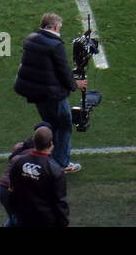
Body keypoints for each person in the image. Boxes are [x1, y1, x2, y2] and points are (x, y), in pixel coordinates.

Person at [13, 12, 86, 173]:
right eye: (59, 27)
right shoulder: (55, 44)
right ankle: (62, 163)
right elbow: (63, 71)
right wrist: (76, 84)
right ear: (54, 27)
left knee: (49, 125)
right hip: (52, 94)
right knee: (64, 125)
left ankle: (37, 152)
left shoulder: (31, 39)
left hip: (35, 92)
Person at [7, 126, 69, 227]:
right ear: (51, 144)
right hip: (46, 220)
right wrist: (64, 223)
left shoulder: (19, 163)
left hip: (24, 217)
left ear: (34, 141)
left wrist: (16, 211)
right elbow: (60, 201)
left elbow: (11, 191)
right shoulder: (54, 169)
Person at [0, 121, 52, 226]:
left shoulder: (20, 146)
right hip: (15, 191)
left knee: (15, 217)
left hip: (3, 189)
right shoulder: (41, 154)